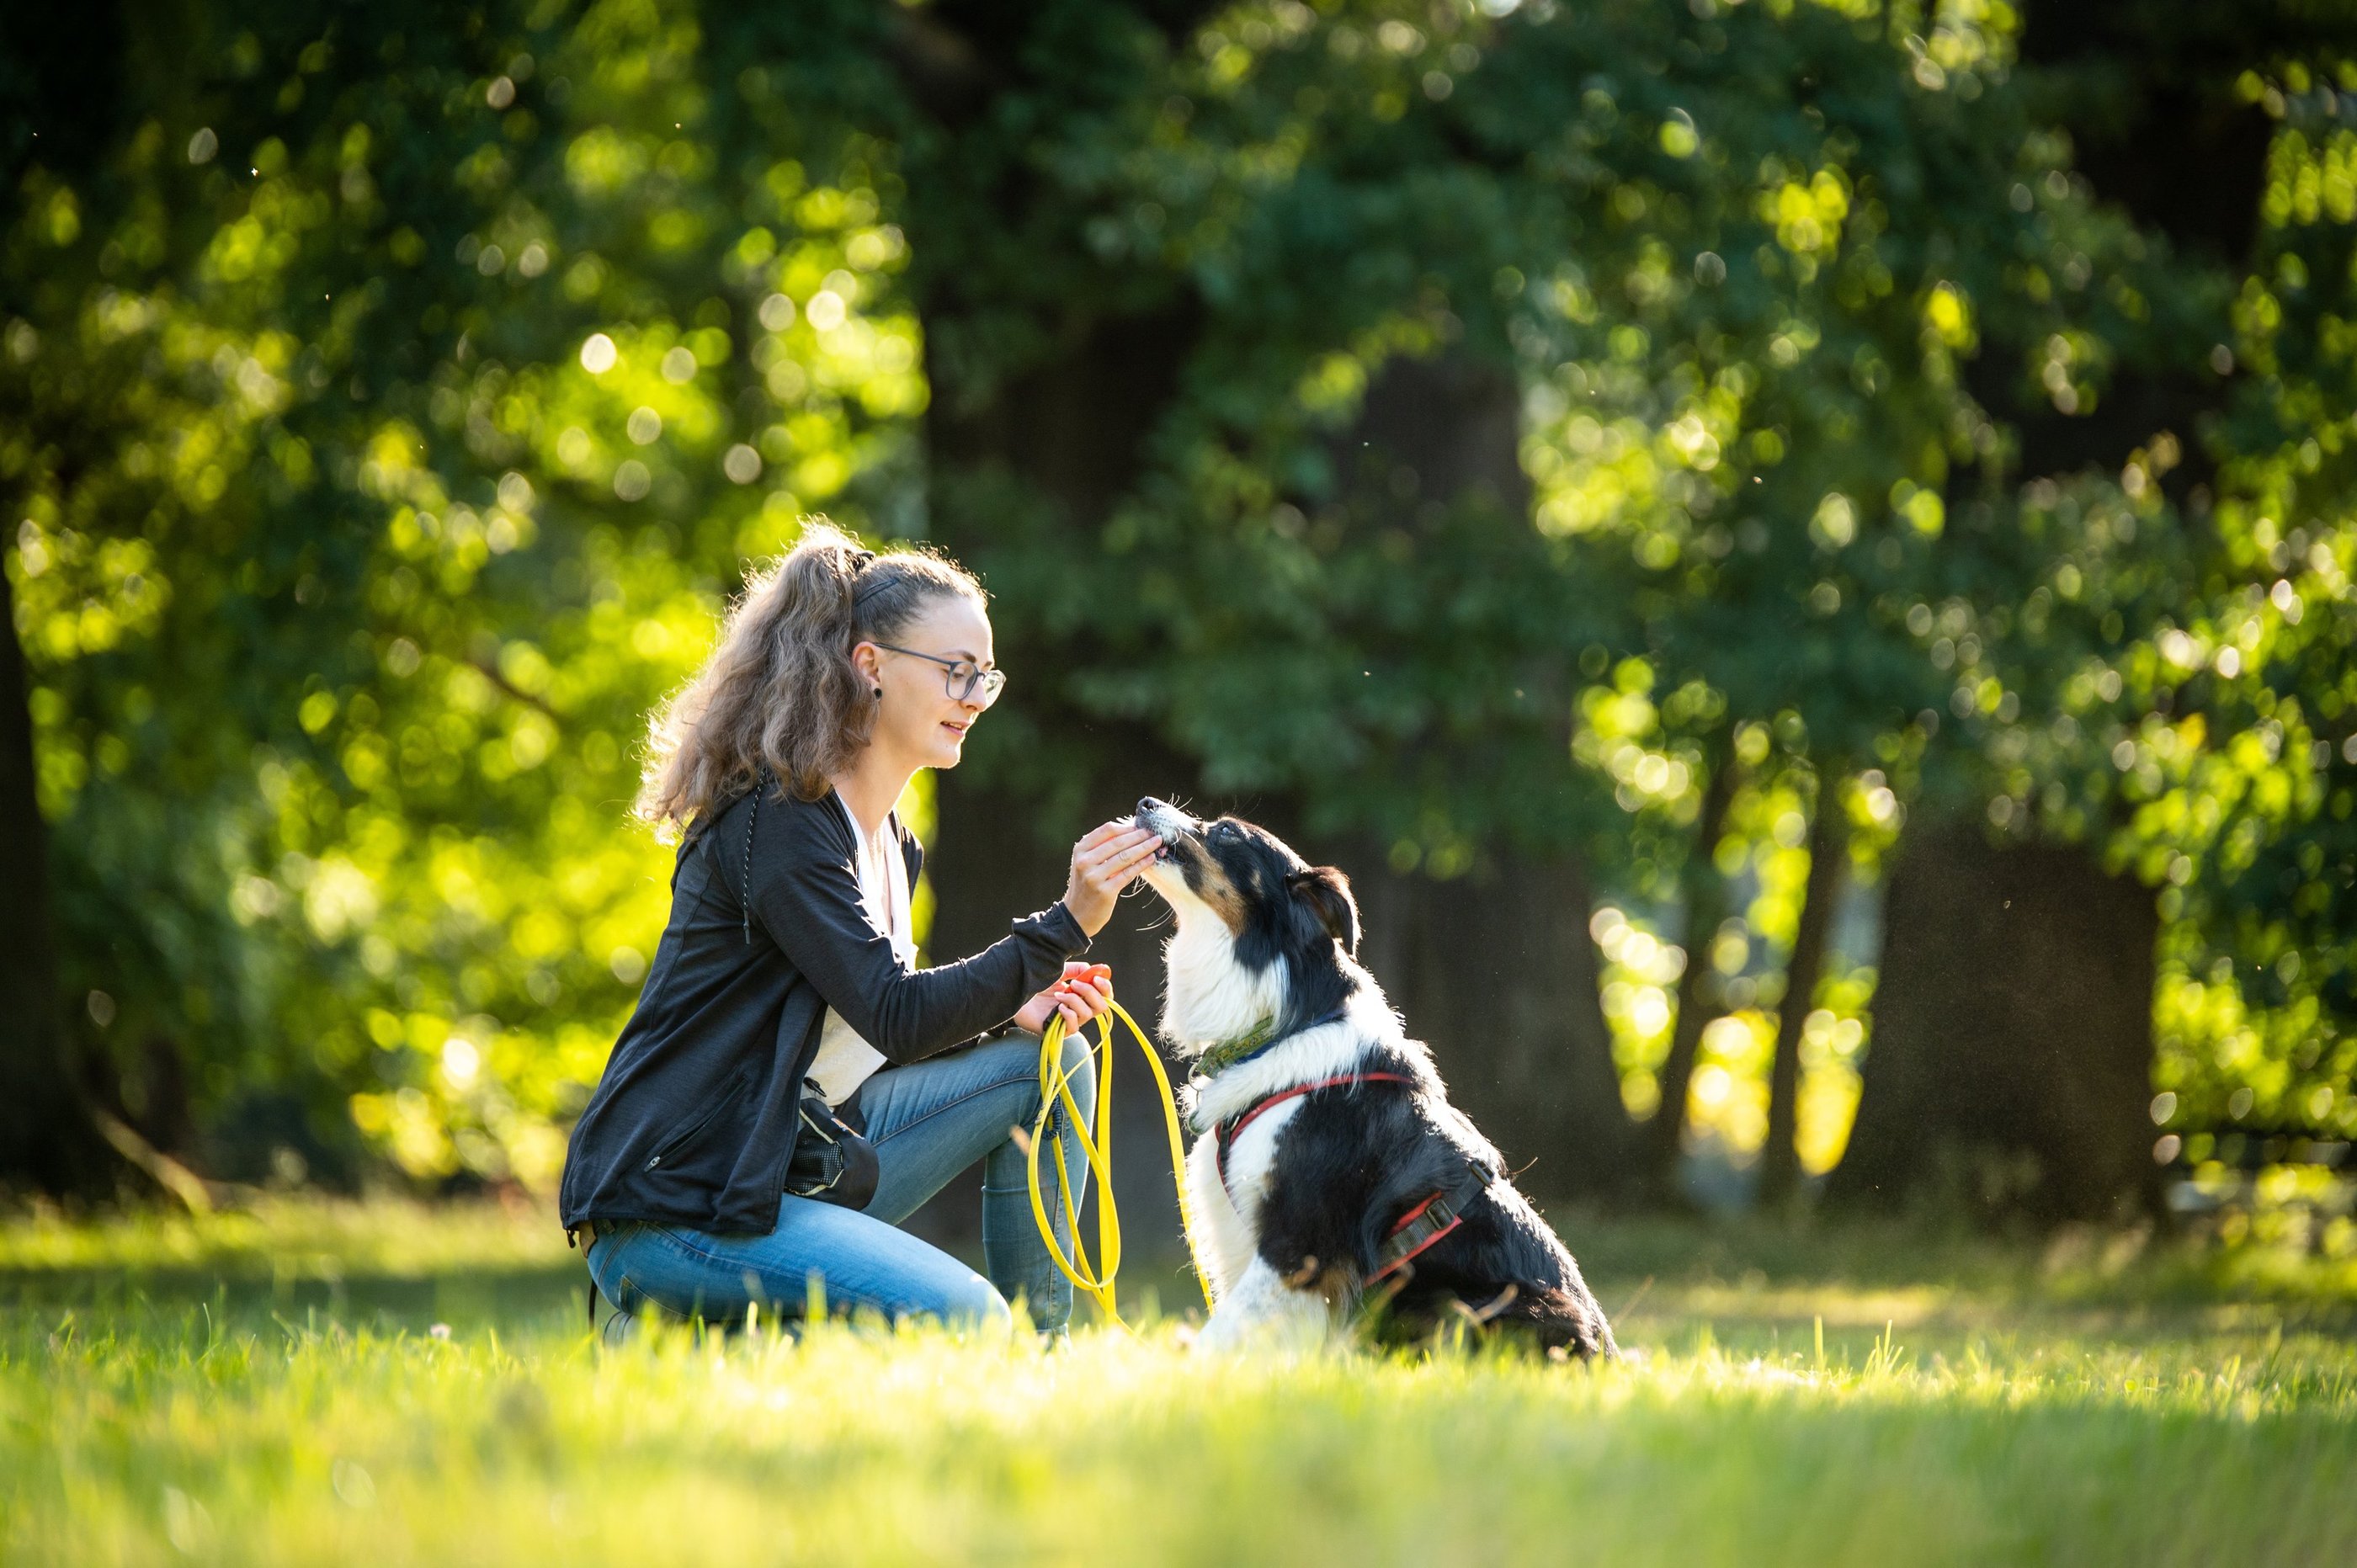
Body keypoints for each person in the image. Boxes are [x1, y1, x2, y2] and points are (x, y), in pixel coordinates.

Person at [558, 520, 1163, 1340]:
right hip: (678, 1203)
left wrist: (1009, 1008)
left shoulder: (885, 843)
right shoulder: (780, 825)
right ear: (869, 665)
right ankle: (682, 1322)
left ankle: (1047, 1365)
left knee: (1048, 1065)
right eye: (955, 672)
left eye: (986, 677)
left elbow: (864, 1030)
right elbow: (894, 1011)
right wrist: (1065, 925)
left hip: (778, 1162)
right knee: (969, 1320)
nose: (972, 699)